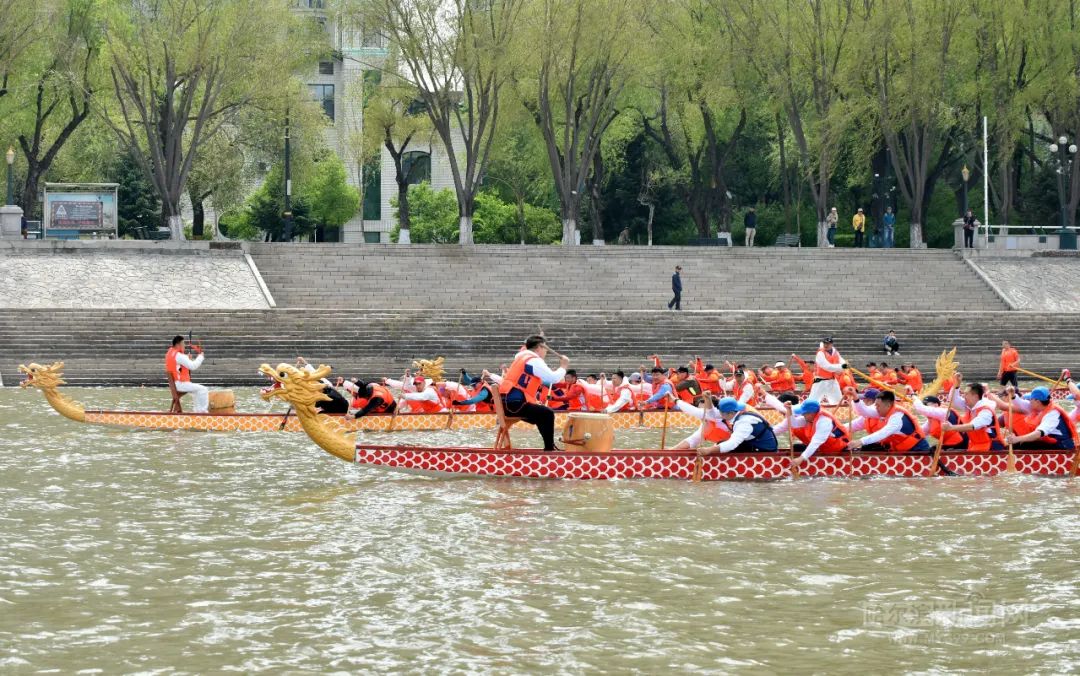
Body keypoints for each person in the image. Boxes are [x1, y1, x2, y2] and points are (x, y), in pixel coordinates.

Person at [498, 335, 569, 451]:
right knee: (547, 414)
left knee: (542, 415)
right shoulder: (533, 360)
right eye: (545, 349)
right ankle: (549, 450)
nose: (546, 352)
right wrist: (563, 367)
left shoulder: (521, 358)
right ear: (539, 347)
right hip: (515, 405)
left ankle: (549, 446)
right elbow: (553, 378)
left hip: (507, 404)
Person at [846, 390, 931, 453]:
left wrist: (860, 441)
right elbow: (863, 411)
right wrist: (855, 398)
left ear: (888, 405)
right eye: (875, 405)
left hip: (918, 449)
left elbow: (883, 433)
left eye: (878, 405)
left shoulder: (897, 418)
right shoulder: (882, 411)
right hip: (900, 450)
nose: (875, 408)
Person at [775, 399, 851, 469]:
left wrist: (801, 458)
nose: (802, 415)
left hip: (838, 449)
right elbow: (793, 423)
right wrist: (789, 410)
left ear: (811, 413)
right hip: (824, 447)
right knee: (797, 447)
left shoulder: (824, 421)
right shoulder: (811, 417)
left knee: (803, 449)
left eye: (804, 413)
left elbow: (815, 442)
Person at [696, 397, 779, 455]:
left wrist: (709, 450)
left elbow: (732, 444)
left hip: (765, 450)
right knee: (721, 443)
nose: (719, 415)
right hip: (756, 444)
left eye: (721, 413)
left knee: (725, 446)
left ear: (731, 413)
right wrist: (708, 399)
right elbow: (713, 413)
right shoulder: (736, 412)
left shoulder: (744, 423)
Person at [937, 382, 1005, 452]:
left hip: (992, 448)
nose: (963, 396)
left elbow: (973, 426)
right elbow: (953, 400)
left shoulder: (986, 411)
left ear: (975, 396)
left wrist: (951, 428)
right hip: (976, 446)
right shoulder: (969, 407)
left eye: (966, 394)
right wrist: (956, 386)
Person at [1003, 386, 1077, 450]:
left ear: (1037, 401)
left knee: (1022, 444)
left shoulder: (1052, 414)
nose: (1029, 401)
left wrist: (1017, 439)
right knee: (1019, 443)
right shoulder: (1037, 406)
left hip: (1062, 446)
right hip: (1050, 441)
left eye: (1030, 399)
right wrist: (1012, 395)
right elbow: (1021, 403)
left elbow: (1038, 433)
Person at [165, 335, 208, 413]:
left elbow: (178, 366)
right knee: (203, 389)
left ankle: (198, 411)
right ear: (178, 345)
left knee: (197, 390)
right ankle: (202, 412)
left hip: (175, 384)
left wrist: (187, 358)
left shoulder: (170, 353)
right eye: (183, 343)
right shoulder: (179, 356)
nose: (184, 345)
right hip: (180, 384)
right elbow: (193, 366)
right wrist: (200, 357)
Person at [809, 337, 846, 405]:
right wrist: (841, 367)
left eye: (828, 344)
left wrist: (845, 364)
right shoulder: (820, 353)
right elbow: (827, 366)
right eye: (825, 343)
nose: (826, 345)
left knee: (838, 401)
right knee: (812, 402)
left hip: (832, 380)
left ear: (831, 344)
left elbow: (841, 360)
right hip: (820, 380)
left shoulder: (835, 352)